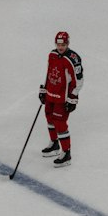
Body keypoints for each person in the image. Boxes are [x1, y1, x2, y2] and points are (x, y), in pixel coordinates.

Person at [40, 31, 83, 166]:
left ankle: (66, 153)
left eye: (63, 44)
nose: (60, 47)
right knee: (49, 117)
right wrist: (44, 90)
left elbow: (79, 80)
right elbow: (48, 73)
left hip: (63, 98)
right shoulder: (52, 55)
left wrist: (73, 97)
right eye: (58, 44)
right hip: (51, 94)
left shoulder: (72, 59)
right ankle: (54, 144)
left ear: (68, 44)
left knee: (60, 123)